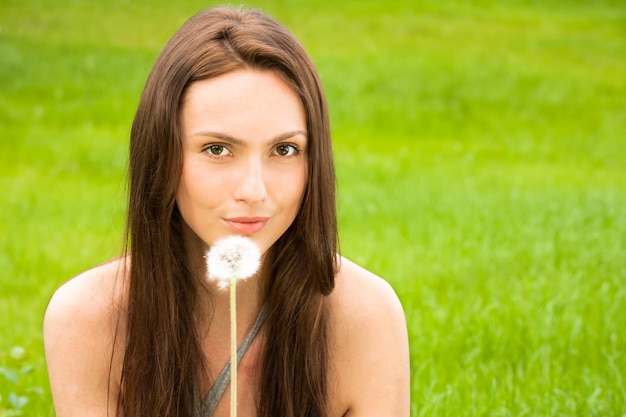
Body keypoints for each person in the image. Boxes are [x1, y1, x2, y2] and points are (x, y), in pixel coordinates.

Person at [43, 6, 409, 417]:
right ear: (161, 155)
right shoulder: (86, 320)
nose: (253, 190)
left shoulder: (365, 318)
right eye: (217, 149)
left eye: (284, 150)